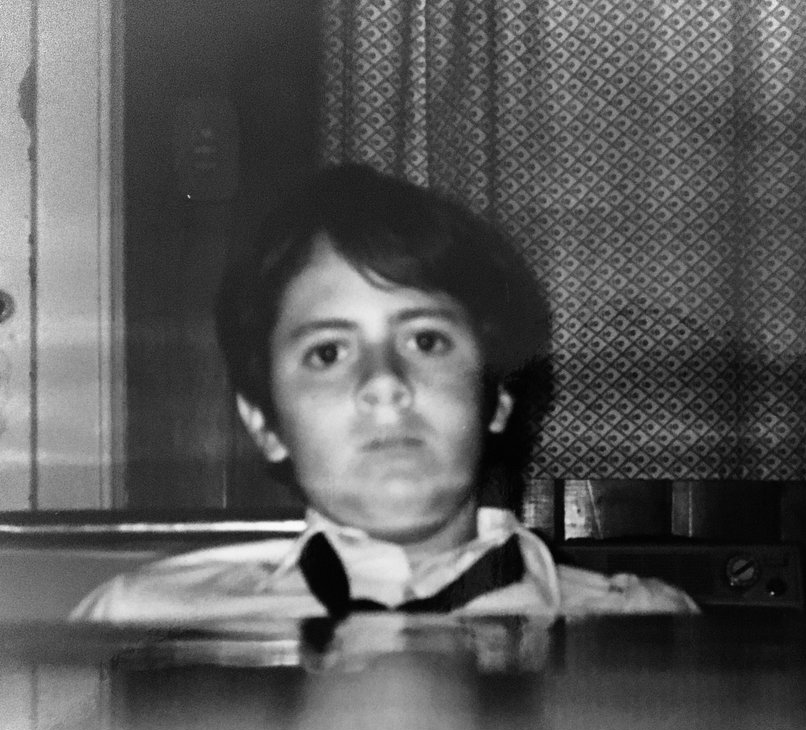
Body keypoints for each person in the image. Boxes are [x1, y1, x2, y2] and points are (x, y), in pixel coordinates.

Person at [73, 163, 698, 624]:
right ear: (264, 423)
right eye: (328, 353)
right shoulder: (140, 622)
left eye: (426, 341)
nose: (384, 384)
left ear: (498, 395)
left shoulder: (639, 630)